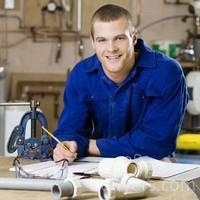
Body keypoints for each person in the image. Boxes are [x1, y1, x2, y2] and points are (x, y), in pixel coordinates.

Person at [52, 4, 188, 163]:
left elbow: (157, 142)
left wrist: (87, 145)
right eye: (102, 40)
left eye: (119, 38)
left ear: (134, 38)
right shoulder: (82, 74)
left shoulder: (166, 72)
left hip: (153, 161)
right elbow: (68, 130)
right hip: (99, 163)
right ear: (93, 42)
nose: (111, 48)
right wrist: (67, 146)